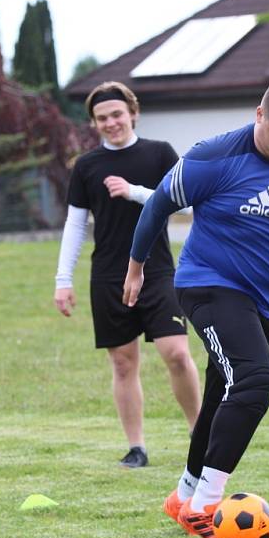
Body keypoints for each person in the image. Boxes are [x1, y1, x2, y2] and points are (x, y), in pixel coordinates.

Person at [123, 77, 269, 538]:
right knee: (255, 379)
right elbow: (158, 207)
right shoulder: (214, 156)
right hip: (208, 286)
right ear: (259, 115)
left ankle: (184, 494)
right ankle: (206, 504)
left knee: (222, 392)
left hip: (266, 302)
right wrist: (136, 268)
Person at [54, 81, 201, 468]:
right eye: (102, 118)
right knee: (122, 363)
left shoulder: (159, 154)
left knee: (177, 354)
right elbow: (74, 226)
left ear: (133, 113)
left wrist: (135, 192)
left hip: (157, 272)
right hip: (108, 276)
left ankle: (199, 435)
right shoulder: (87, 166)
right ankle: (137, 448)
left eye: (117, 114)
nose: (111, 123)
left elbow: (186, 204)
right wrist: (62, 281)